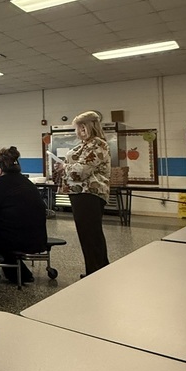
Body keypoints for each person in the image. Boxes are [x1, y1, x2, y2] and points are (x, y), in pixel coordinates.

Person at [0, 146, 48, 290]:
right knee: (0, 238)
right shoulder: (26, 182)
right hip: (37, 236)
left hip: (13, 237)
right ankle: (22, 275)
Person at [55, 111, 111, 276]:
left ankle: (95, 271)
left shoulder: (97, 144)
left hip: (90, 194)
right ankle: (98, 269)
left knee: (91, 236)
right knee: (88, 235)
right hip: (80, 194)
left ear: (86, 128)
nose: (76, 132)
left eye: (78, 128)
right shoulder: (84, 145)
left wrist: (65, 167)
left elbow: (80, 171)